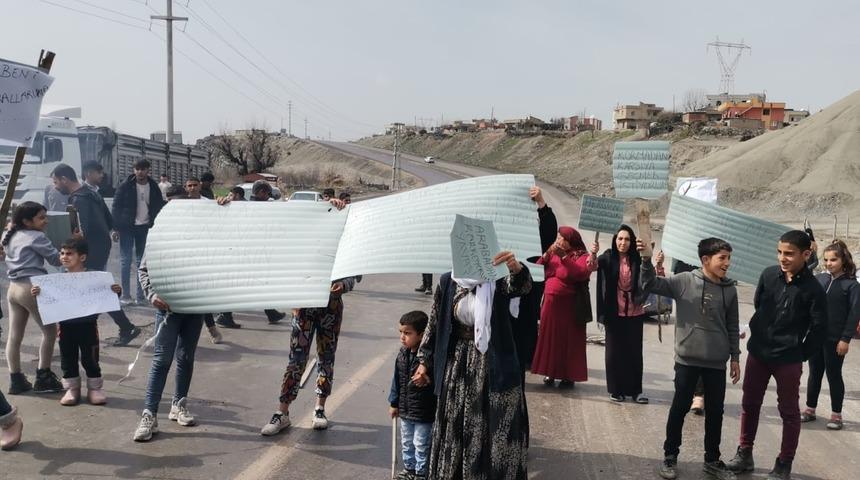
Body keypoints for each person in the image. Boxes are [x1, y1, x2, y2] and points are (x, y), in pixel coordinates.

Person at [413, 250, 531, 479]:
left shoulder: (497, 280)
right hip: (457, 366)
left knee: (491, 426)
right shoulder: (449, 281)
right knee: (455, 426)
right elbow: (434, 324)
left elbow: (521, 287)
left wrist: (515, 268)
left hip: (494, 365)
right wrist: (424, 362)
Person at [726, 230, 827, 480]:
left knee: (789, 412)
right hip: (759, 353)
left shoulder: (814, 289)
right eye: (780, 252)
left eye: (789, 254)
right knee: (750, 404)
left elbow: (819, 328)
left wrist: (800, 353)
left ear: (806, 254)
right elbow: (760, 306)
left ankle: (784, 463)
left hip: (789, 359)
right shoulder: (768, 275)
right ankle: (745, 453)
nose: (783, 258)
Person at [639, 238, 740, 480]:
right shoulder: (684, 281)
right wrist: (646, 259)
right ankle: (670, 456)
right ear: (706, 260)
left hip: (716, 362)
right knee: (680, 407)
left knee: (716, 412)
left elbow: (733, 326)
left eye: (728, 258)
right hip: (687, 360)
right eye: (722, 258)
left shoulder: (730, 290)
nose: (727, 263)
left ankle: (712, 460)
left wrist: (735, 357)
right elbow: (650, 283)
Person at [53, 163, 142, 347]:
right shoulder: (92, 193)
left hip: (88, 251)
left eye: (56, 182)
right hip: (100, 248)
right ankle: (126, 327)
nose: (55, 186)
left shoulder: (77, 200)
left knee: (90, 291)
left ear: (64, 179)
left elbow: (79, 232)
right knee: (99, 291)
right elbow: (109, 221)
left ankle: (76, 333)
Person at [31, 238, 119, 406]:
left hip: (88, 327)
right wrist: (38, 293)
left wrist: (115, 291)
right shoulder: (54, 282)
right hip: (65, 328)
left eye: (69, 253)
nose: (64, 257)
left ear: (82, 257)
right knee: (68, 359)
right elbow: (47, 301)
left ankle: (95, 389)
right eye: (62, 253)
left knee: (91, 359)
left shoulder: (94, 277)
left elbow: (108, 296)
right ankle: (72, 389)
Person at [133, 252, 205, 442]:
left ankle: (179, 404)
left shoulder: (205, 236)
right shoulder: (162, 233)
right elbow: (144, 269)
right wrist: (151, 294)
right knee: (162, 360)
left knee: (186, 357)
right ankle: (150, 415)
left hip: (195, 309)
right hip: (168, 310)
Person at [2, 201, 65, 394]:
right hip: (31, 288)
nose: (46, 221)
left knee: (14, 336)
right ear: (27, 221)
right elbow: (56, 259)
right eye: (41, 218)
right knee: (50, 332)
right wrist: (73, 242)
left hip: (13, 289)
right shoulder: (37, 236)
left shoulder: (8, 234)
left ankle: (16, 379)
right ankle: (43, 376)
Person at [801, 240, 860, 431]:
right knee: (814, 373)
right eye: (826, 260)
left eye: (833, 259)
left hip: (835, 339)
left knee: (833, 375)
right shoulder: (821, 279)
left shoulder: (851, 286)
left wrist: (845, 339)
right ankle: (810, 410)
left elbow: (854, 314)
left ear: (843, 260)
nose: (828, 263)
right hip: (815, 336)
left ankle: (837, 415)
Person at [531, 226, 598, 388]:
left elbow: (580, 273)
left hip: (570, 307)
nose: (558, 240)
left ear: (570, 242)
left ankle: (568, 376)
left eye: (562, 238)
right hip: (550, 304)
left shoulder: (582, 256)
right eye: (558, 237)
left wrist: (564, 258)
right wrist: (547, 254)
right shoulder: (554, 253)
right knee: (550, 339)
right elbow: (538, 269)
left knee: (568, 342)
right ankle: (550, 372)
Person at [214, 180, 286, 329]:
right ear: (261, 192)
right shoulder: (247, 207)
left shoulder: (245, 206)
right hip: (248, 253)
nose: (268, 197)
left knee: (258, 284)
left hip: (250, 252)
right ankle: (224, 315)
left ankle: (270, 312)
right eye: (267, 194)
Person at [596, 224, 650, 403]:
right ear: (615, 240)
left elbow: (649, 276)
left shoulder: (637, 258)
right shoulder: (607, 257)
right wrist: (592, 254)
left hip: (634, 311)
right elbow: (592, 266)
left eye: (627, 239)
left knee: (634, 352)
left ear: (632, 241)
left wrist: (651, 256)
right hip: (613, 311)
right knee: (614, 353)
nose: (623, 242)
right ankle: (616, 390)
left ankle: (636, 391)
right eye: (620, 238)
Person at [111, 159, 166, 305]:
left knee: (142, 263)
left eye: (143, 169)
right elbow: (116, 207)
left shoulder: (153, 186)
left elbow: (159, 206)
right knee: (125, 260)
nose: (140, 172)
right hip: (127, 227)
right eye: (137, 169)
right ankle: (125, 296)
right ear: (134, 170)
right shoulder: (125, 185)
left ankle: (140, 296)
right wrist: (115, 228)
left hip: (145, 228)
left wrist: (156, 226)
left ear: (148, 170)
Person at [389, 310, 436, 480]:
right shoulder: (402, 354)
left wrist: (428, 380)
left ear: (422, 335)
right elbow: (396, 381)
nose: (402, 337)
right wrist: (394, 403)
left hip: (423, 412)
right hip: (406, 409)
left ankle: (421, 473)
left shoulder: (429, 359)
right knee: (407, 442)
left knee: (421, 444)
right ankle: (409, 469)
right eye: (401, 332)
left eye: (407, 333)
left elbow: (437, 381)